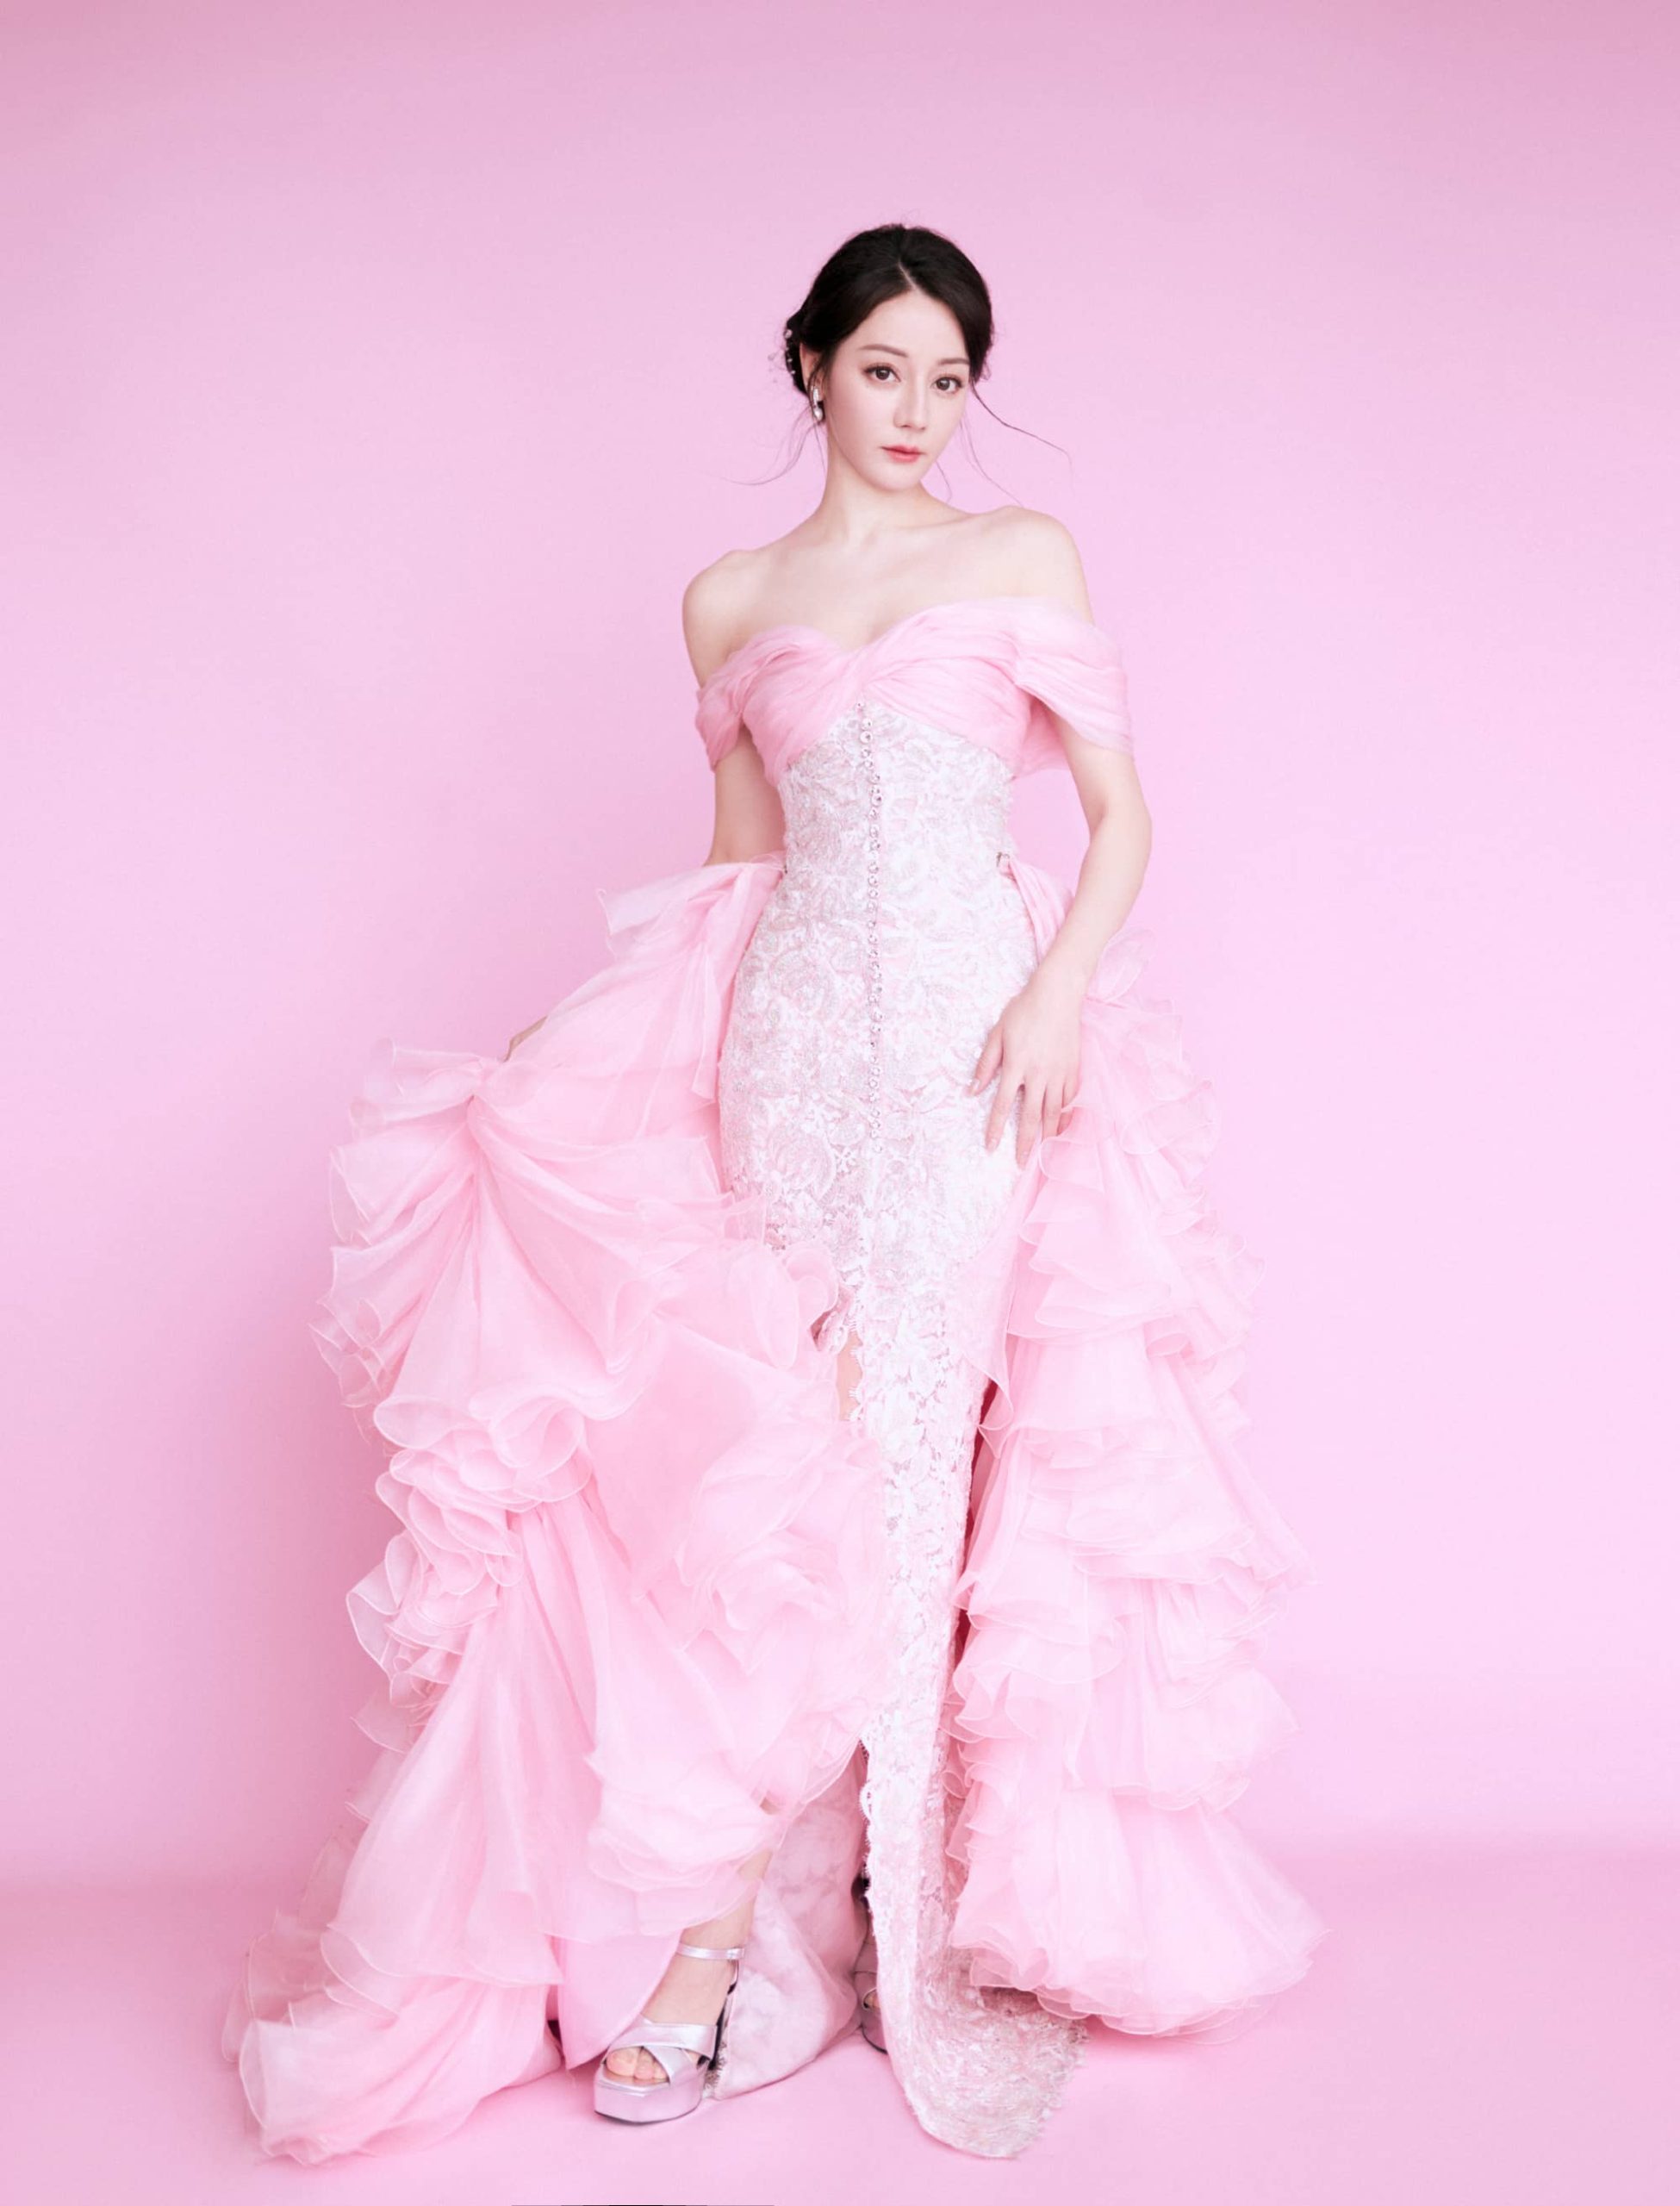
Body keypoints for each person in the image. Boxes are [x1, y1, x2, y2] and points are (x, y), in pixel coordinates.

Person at [222, 222, 1327, 2166]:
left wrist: (1056, 992)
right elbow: (740, 868)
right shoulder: (730, 598)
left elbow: (1121, 814)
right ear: (810, 365)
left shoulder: (1023, 557)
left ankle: (888, 1901)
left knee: (919, 1463)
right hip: (791, 1057)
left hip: (974, 1058)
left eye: (949, 378)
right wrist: (581, 1044)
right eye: (884, 368)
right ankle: (735, 1933)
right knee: (773, 1477)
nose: (918, 410)